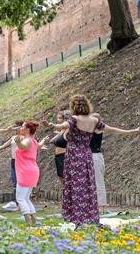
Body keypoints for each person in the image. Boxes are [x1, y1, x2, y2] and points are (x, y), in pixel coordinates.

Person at [46, 95, 140, 227]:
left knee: (76, 187)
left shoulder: (74, 119)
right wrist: (131, 131)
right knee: (88, 186)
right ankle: (89, 216)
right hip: (86, 155)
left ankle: (78, 218)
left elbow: (63, 125)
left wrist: (53, 125)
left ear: (73, 106)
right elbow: (112, 129)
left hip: (74, 156)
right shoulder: (94, 120)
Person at [14, 121, 49, 225]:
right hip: (32, 171)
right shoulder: (33, 141)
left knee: (20, 198)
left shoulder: (28, 141)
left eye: (22, 127)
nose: (20, 128)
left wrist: (18, 142)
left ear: (27, 130)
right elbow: (39, 145)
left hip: (25, 172)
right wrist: (43, 141)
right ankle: (34, 221)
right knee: (26, 198)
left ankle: (28, 222)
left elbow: (23, 146)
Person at [44, 112, 68, 188]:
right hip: (58, 156)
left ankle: (69, 194)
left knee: (65, 176)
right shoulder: (61, 131)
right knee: (60, 175)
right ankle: (65, 194)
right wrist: (58, 134)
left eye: (60, 118)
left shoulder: (67, 130)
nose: (58, 120)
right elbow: (51, 141)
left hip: (64, 155)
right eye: (57, 118)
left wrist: (51, 125)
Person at [90, 113, 107, 212]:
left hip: (95, 156)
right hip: (88, 156)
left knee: (98, 181)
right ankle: (93, 205)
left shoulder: (98, 129)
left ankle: (101, 206)